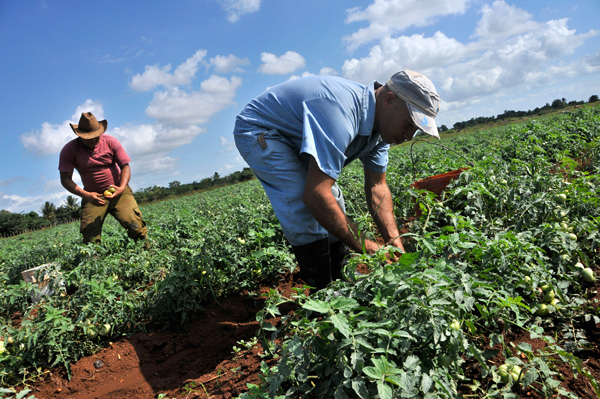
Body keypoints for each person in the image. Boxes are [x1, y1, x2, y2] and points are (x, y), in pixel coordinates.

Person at [233, 69, 441, 291]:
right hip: (261, 129)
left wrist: (394, 244)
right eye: (409, 124)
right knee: (300, 199)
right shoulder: (339, 111)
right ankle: (323, 291)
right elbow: (315, 195)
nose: (409, 136)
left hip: (293, 133)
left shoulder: (381, 130)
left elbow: (377, 187)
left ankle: (339, 280)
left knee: (333, 200)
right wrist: (367, 246)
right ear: (389, 100)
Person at [59, 112, 148, 244]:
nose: (94, 140)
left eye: (96, 136)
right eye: (89, 137)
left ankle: (147, 253)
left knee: (136, 226)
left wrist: (121, 188)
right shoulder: (69, 150)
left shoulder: (111, 142)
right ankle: (95, 261)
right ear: (80, 135)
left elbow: (125, 166)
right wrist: (87, 195)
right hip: (92, 196)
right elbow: (65, 179)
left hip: (119, 192)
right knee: (90, 239)